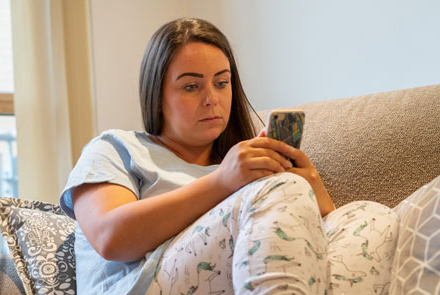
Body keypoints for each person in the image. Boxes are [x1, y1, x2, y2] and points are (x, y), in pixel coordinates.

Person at [60, 18, 403, 294]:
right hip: (142, 284)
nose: (211, 99)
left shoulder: (244, 162)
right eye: (191, 86)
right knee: (278, 190)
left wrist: (310, 184)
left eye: (221, 83)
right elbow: (110, 238)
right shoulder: (115, 148)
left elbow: (320, 238)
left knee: (370, 215)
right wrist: (224, 181)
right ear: (157, 93)